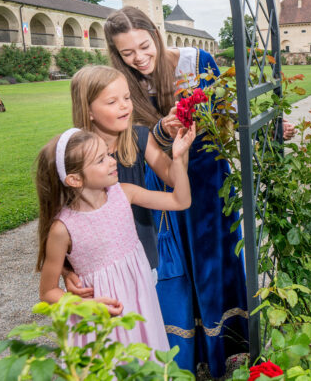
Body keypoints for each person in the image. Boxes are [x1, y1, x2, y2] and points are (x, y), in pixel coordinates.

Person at [104, 6, 251, 375]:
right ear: (117, 54)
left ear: (156, 33)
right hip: (165, 179)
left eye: (144, 46)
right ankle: (190, 355)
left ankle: (226, 346)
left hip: (210, 175)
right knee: (179, 265)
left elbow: (228, 113)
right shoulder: (125, 84)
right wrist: (162, 131)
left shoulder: (197, 62)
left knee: (215, 255)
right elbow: (132, 139)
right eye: (127, 53)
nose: (139, 58)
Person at [34, 125, 195, 350]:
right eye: (101, 160)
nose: (112, 161)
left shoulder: (125, 193)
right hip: (101, 318)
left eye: (108, 154)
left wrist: (177, 158)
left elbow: (181, 201)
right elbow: (48, 291)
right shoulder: (62, 229)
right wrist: (85, 306)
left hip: (140, 303)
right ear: (74, 179)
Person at [66, 65, 183, 276]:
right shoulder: (73, 151)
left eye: (127, 98)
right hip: (97, 263)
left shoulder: (139, 137)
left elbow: (174, 179)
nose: (125, 106)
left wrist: (180, 146)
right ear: (88, 110)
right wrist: (66, 271)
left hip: (141, 254)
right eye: (112, 102)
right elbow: (60, 216)